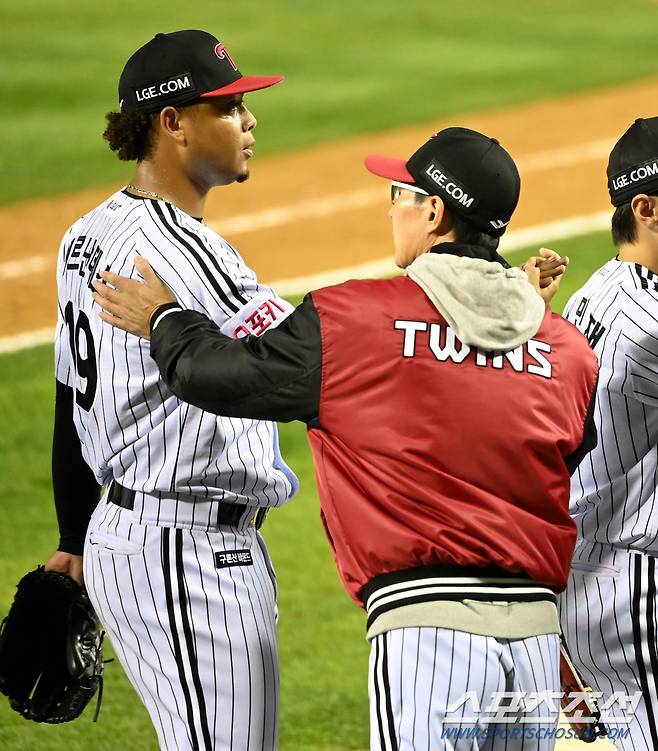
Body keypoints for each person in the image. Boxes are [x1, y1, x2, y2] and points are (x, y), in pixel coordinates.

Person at [93, 127, 599, 750]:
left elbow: (217, 376)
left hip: (430, 637)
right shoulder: (566, 349)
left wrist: (166, 319)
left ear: (434, 212)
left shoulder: (352, 322)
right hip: (535, 643)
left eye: (399, 193)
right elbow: (565, 450)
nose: (391, 207)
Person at [45, 29, 298, 751]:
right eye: (228, 107)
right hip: (187, 554)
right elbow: (304, 363)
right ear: (172, 122)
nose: (250, 121)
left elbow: (69, 394)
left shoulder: (85, 234)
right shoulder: (188, 251)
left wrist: (72, 534)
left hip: (130, 536)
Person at [556, 117, 658, 751]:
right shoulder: (646, 322)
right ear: (647, 207)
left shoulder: (599, 291)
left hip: (597, 575)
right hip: (634, 586)